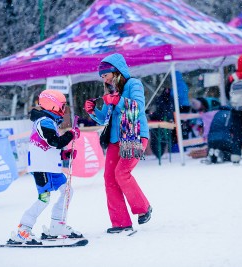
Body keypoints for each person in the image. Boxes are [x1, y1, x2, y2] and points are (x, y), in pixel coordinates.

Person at [84, 53, 152, 234]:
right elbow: (105, 118)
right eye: (101, 77)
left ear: (116, 72)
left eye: (105, 75)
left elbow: (137, 108)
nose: (103, 79)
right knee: (109, 178)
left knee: (122, 173)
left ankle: (143, 208)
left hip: (134, 136)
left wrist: (118, 100)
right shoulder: (110, 91)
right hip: (115, 140)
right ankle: (120, 222)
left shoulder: (133, 84)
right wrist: (92, 112)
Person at [9, 89, 82, 244]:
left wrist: (64, 154)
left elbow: (50, 148)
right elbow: (54, 141)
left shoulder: (49, 121)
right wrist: (70, 135)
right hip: (42, 168)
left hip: (51, 167)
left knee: (67, 191)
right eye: (62, 107)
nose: (63, 110)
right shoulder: (44, 121)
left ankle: (57, 225)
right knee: (44, 199)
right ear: (53, 106)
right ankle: (23, 231)